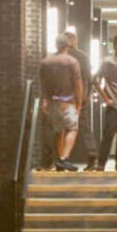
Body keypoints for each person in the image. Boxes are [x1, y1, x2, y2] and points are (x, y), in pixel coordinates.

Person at [39, 33, 83, 172]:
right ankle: (64, 158)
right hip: (67, 101)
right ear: (68, 46)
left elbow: (43, 84)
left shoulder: (45, 62)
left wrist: (45, 100)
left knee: (58, 131)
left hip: (52, 102)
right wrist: (79, 102)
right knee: (72, 128)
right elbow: (77, 83)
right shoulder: (71, 61)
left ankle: (57, 160)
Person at [91, 34, 117, 172]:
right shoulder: (108, 62)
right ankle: (101, 163)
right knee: (109, 134)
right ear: (115, 47)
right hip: (114, 105)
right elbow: (95, 79)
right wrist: (105, 98)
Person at [64, 30, 98, 170]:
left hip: (66, 96)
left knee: (63, 128)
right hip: (81, 96)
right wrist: (88, 93)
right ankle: (92, 155)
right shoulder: (83, 56)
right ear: (75, 41)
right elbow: (89, 77)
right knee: (84, 126)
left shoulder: (64, 56)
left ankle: (61, 158)